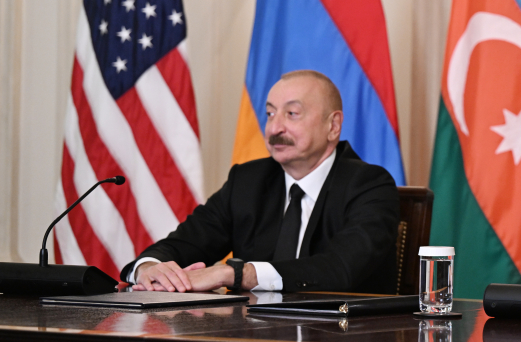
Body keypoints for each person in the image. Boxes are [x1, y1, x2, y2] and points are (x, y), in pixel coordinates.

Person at [121, 70, 400, 293]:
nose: (274, 128)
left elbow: (341, 268)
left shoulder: (370, 186)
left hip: (340, 337)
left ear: (333, 125)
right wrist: (149, 267)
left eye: (292, 114)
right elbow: (185, 243)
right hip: (251, 335)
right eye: (269, 113)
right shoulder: (248, 181)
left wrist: (235, 274)